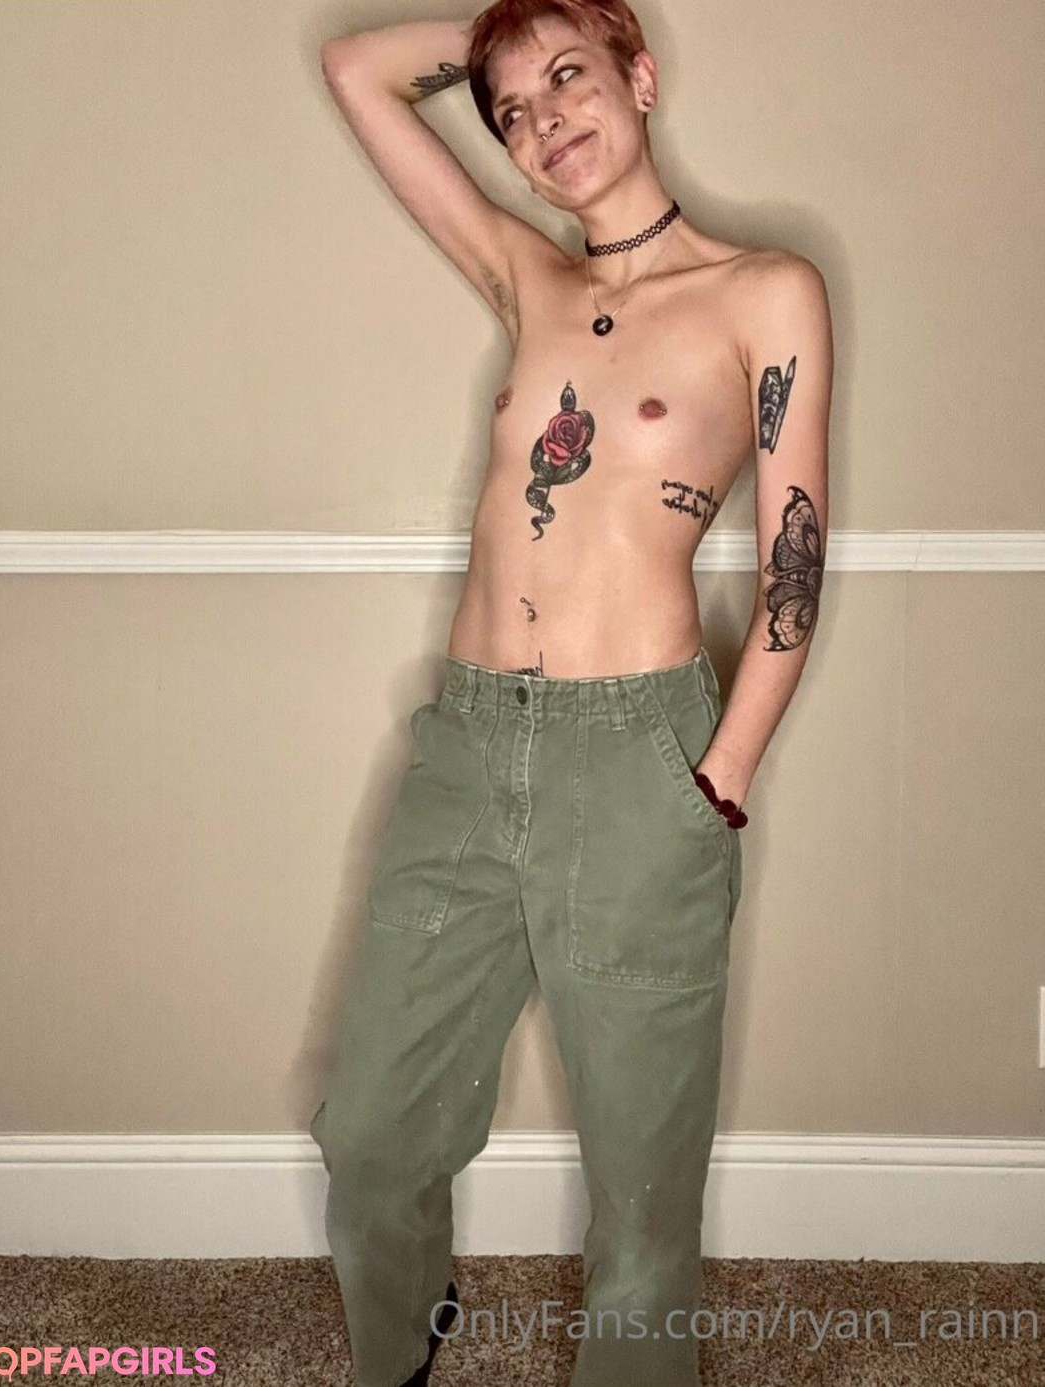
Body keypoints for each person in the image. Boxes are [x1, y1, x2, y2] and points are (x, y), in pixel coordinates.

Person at [311, 2, 832, 1383]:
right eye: (514, 112)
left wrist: (723, 776)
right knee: (370, 1133)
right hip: (471, 747)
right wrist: (515, 34)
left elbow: (794, 559)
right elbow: (357, 70)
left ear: (640, 78)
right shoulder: (523, 274)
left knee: (643, 1201)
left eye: (570, 78)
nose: (545, 120)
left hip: (639, 755)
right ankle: (403, 1345)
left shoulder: (765, 293)